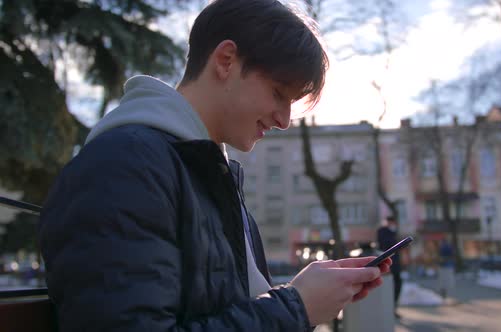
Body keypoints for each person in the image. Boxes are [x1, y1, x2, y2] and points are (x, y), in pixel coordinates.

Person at [37, 0, 392, 331]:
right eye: (278, 94)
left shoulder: (208, 176)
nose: (285, 120)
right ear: (226, 61)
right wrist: (296, 308)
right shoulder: (122, 166)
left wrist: (306, 295)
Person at [377, 215, 404, 319]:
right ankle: (388, 309)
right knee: (387, 286)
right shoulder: (383, 231)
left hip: (395, 264)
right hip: (387, 264)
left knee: (397, 285)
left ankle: (393, 308)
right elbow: (385, 245)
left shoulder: (393, 232)